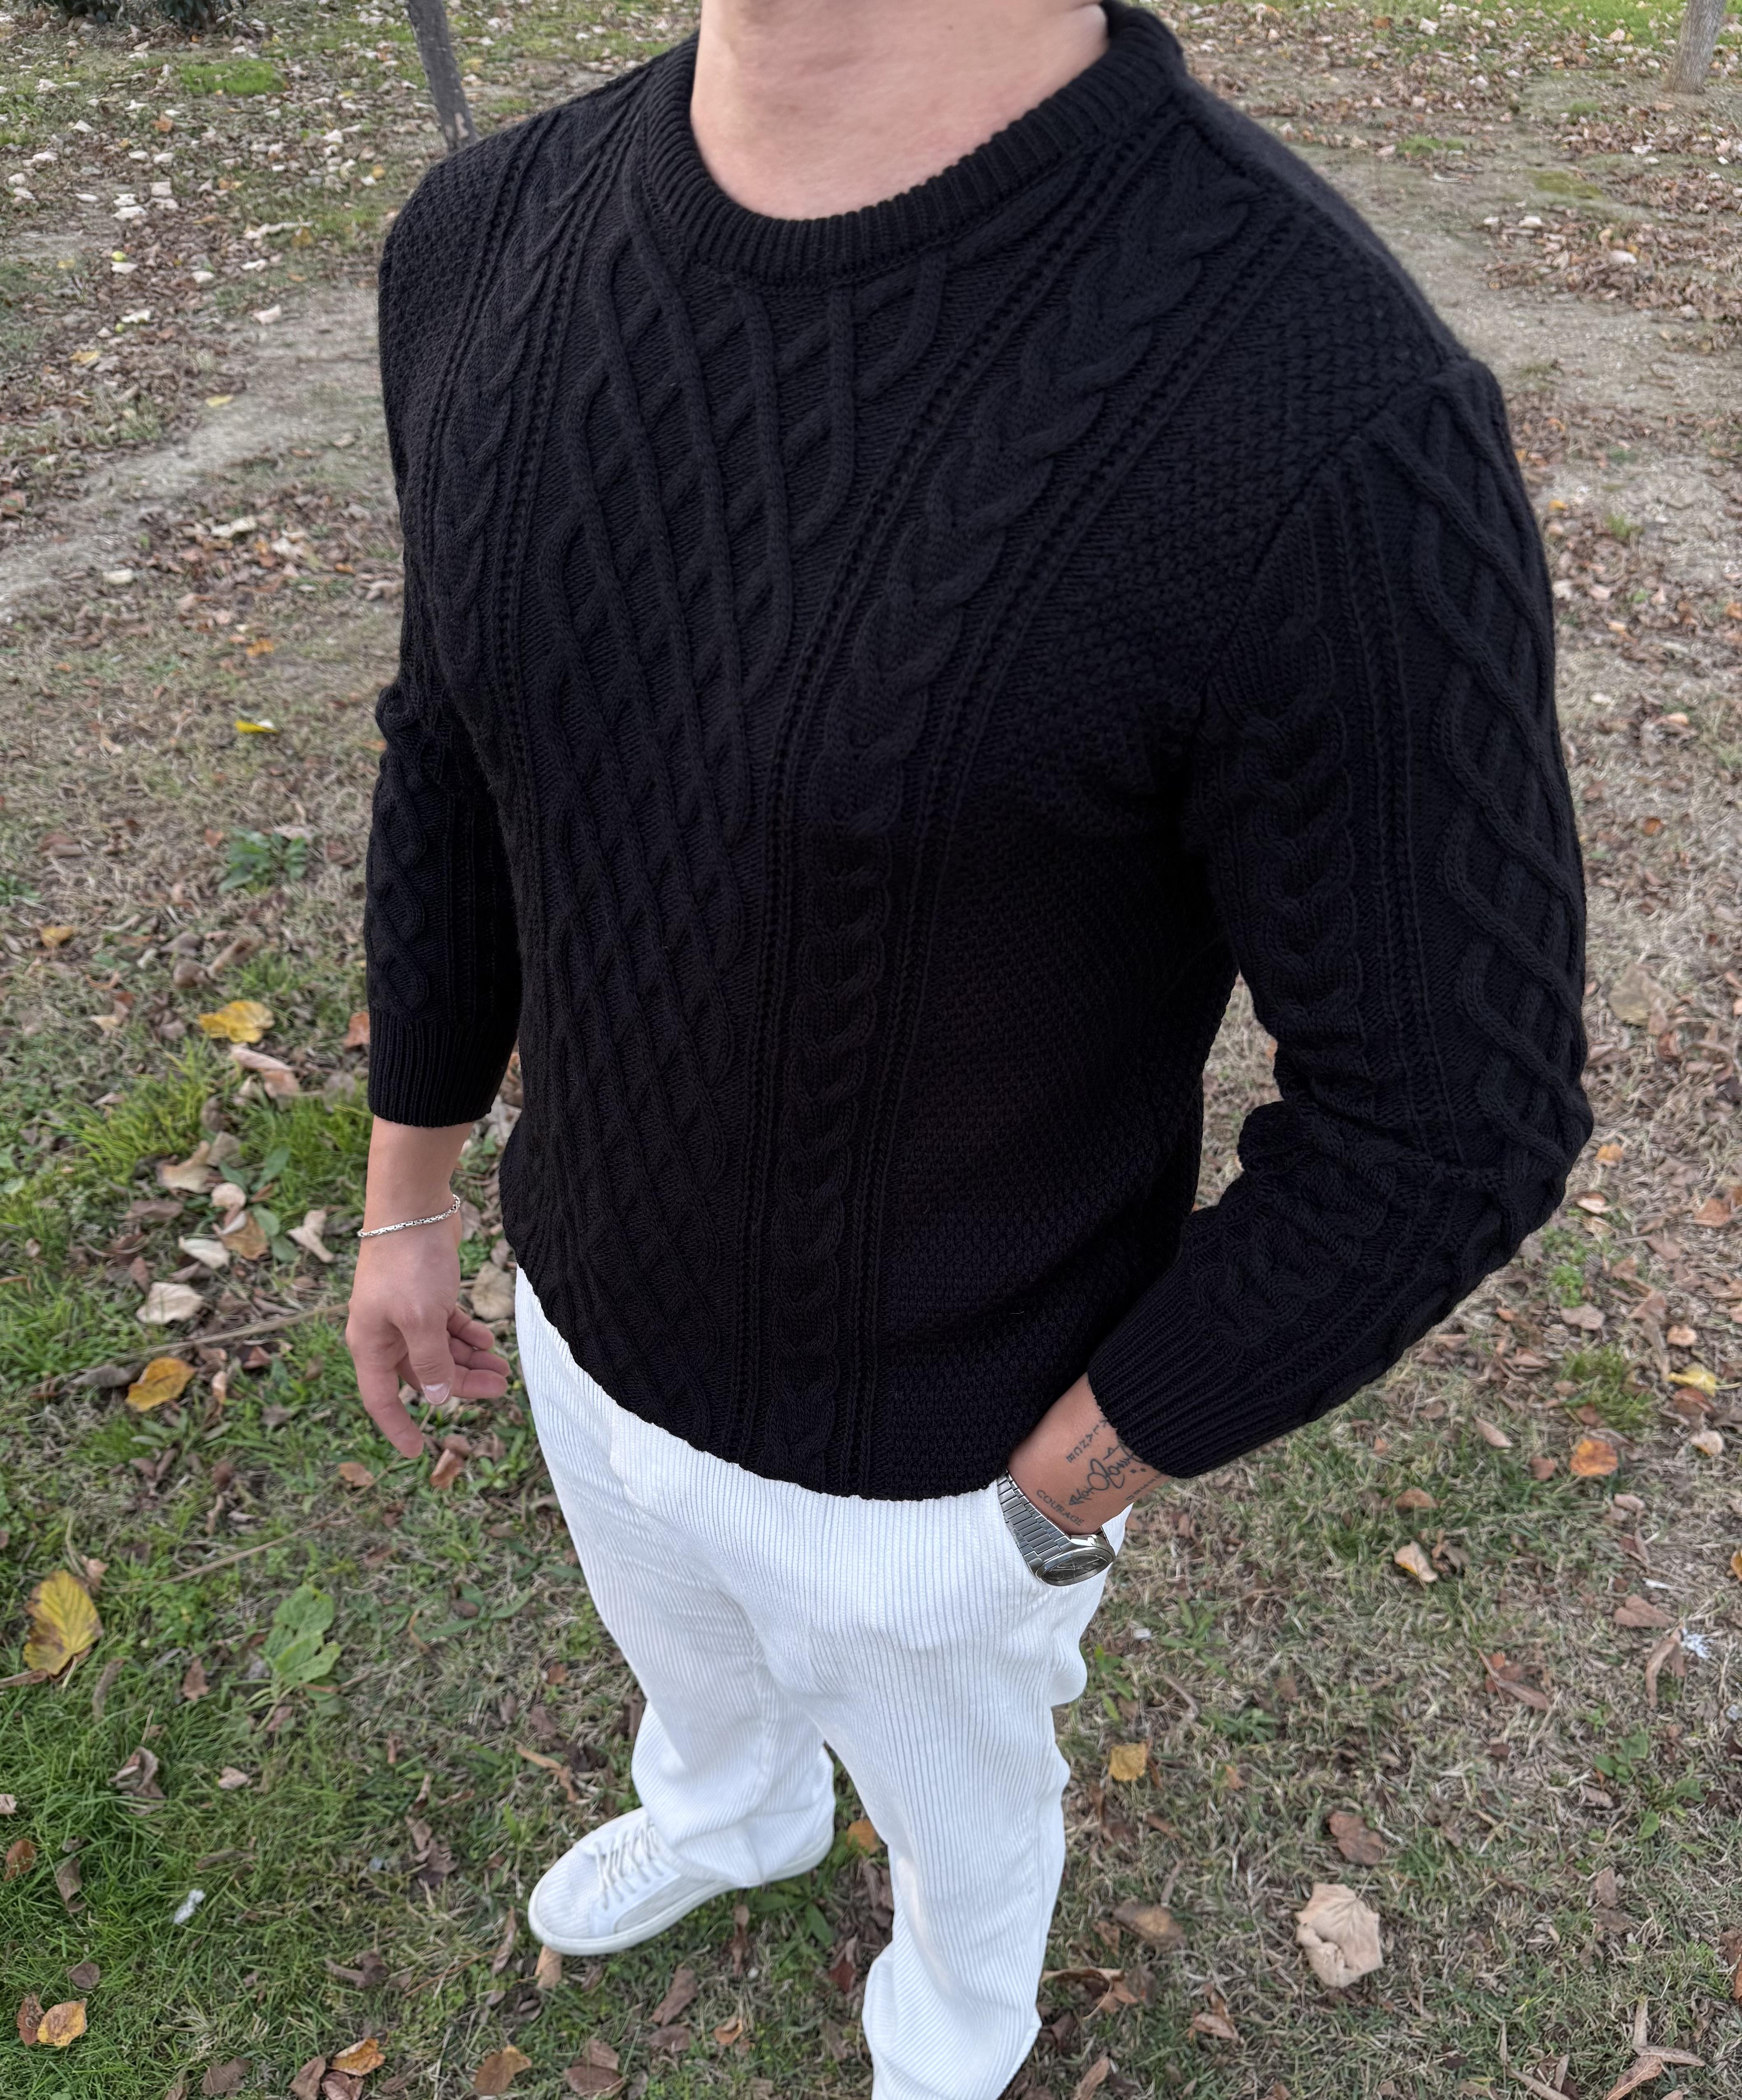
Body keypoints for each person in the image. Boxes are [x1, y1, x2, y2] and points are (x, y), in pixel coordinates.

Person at [345, 0, 1591, 2092]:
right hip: (579, 1315)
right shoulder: (484, 237)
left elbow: (1454, 1114)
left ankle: (951, 2020)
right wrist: (413, 1201)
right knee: (693, 1672)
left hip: (941, 1472)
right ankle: (732, 1807)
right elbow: (446, 755)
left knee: (962, 1816)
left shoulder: (1318, 400)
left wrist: (1039, 1501)